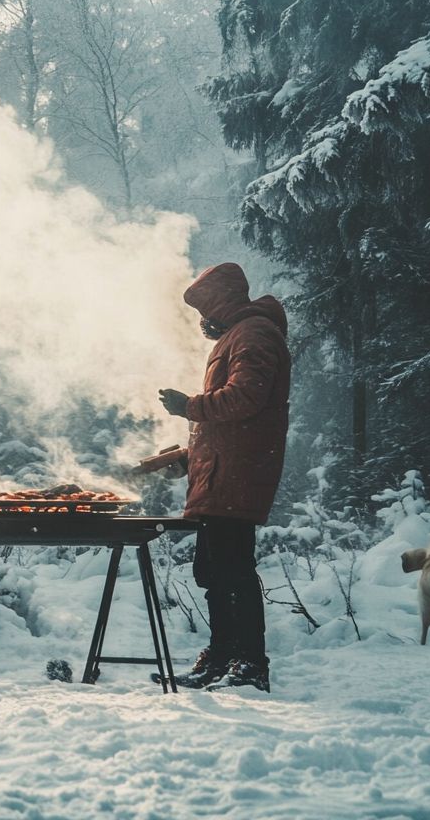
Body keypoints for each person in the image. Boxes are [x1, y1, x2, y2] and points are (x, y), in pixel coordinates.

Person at [158, 262, 290, 692]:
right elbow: (229, 424)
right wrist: (187, 455)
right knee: (213, 571)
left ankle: (249, 664)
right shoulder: (240, 335)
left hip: (237, 478)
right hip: (222, 475)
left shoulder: (253, 333)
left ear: (222, 303)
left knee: (232, 571)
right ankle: (221, 658)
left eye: (205, 310)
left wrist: (188, 406)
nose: (202, 321)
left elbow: (246, 399)